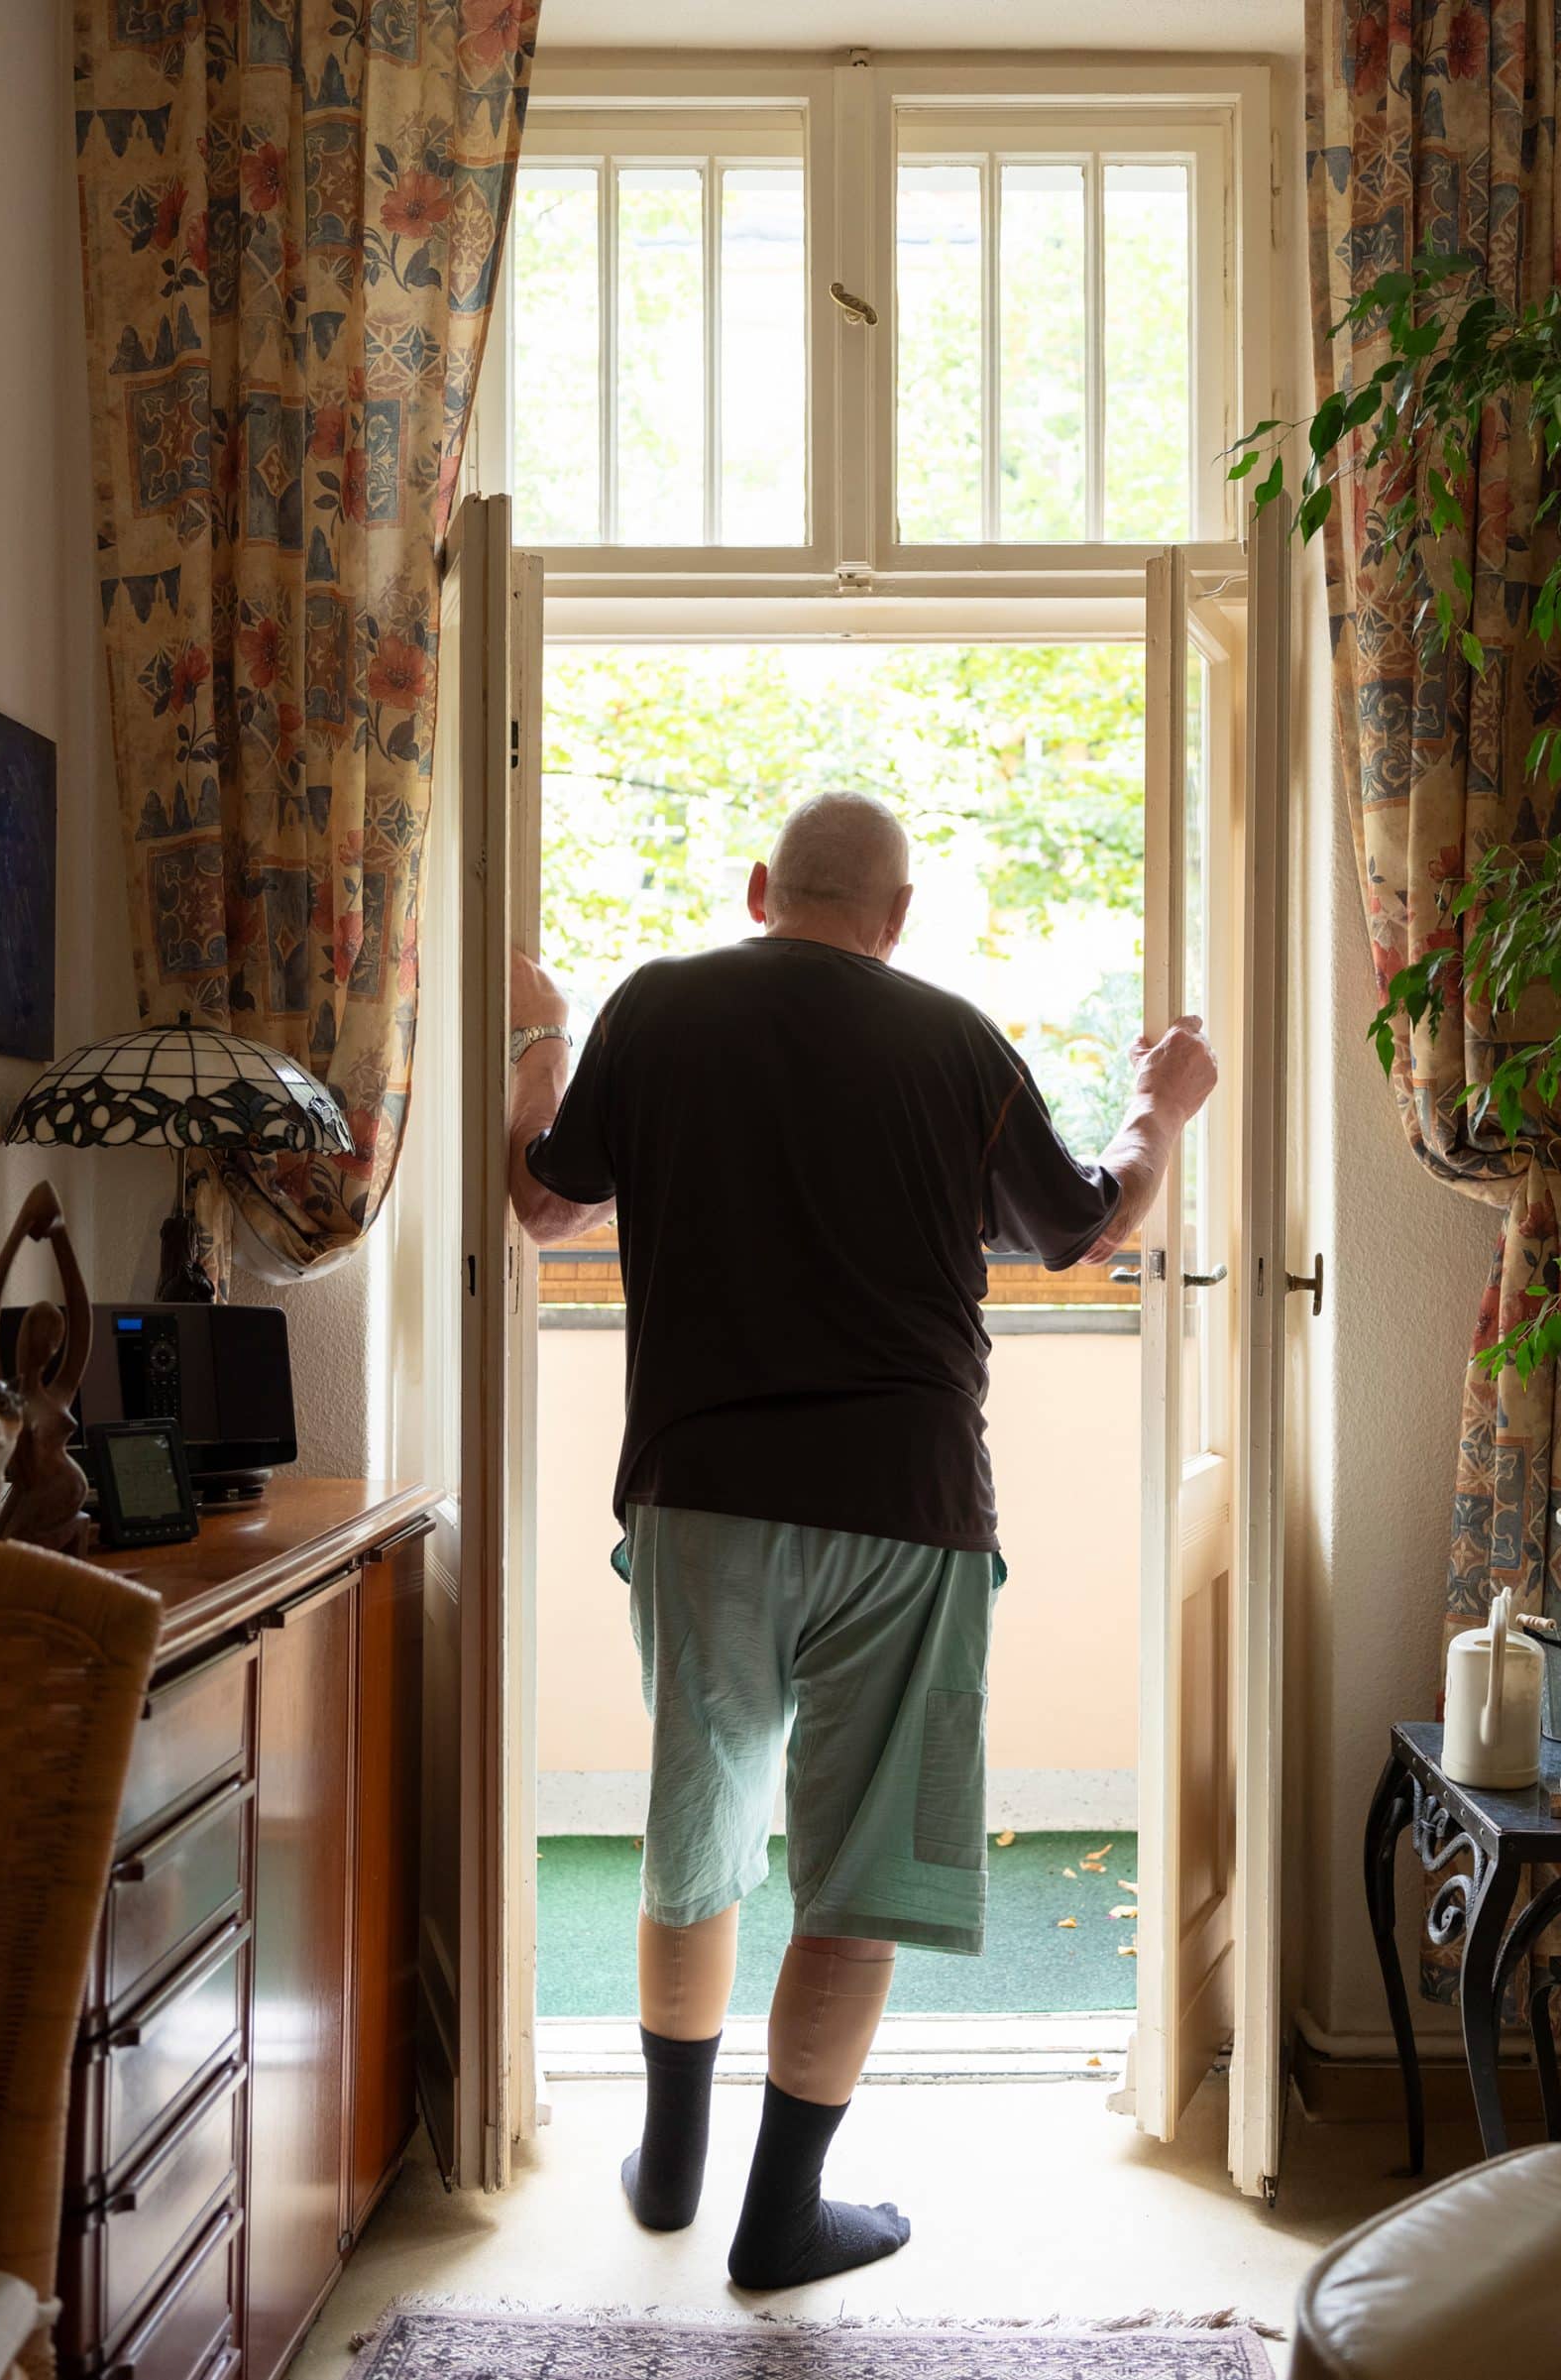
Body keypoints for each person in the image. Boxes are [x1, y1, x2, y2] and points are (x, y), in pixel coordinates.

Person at [506, 790, 1217, 2291]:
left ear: (763, 888)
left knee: (693, 1830)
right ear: (896, 922)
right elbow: (1089, 1228)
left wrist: (540, 1038)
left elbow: (542, 1204)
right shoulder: (953, 1040)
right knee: (862, 1871)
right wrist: (1164, 1105)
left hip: (700, 1492)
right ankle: (780, 2216)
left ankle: (672, 2166)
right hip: (905, 1505)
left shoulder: (660, 1009)